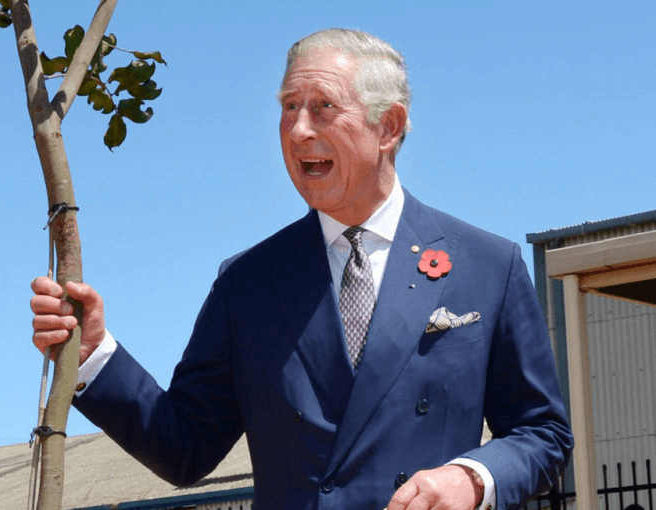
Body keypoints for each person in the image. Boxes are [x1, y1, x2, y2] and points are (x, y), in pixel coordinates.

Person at [30, 28, 573, 510]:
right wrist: (94, 355)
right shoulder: (247, 282)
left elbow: (543, 434)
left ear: (389, 126)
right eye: (289, 106)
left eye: (322, 107)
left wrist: (472, 479)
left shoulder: (487, 264)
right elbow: (184, 449)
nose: (296, 131)